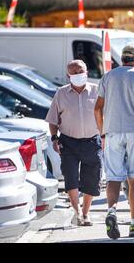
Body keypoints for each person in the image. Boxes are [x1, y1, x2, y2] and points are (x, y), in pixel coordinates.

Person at [94, 44, 134, 239]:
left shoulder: (107, 77)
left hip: (111, 132)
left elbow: (97, 109)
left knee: (113, 177)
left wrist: (103, 132)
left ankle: (111, 211)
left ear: (122, 59)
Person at [45, 60, 102, 227]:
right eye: (74, 72)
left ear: (86, 71)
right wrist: (54, 138)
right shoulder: (61, 93)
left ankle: (86, 213)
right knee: (71, 177)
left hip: (92, 141)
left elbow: (104, 115)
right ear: (68, 76)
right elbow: (53, 119)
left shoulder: (97, 90)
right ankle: (77, 212)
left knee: (91, 178)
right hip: (68, 142)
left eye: (81, 70)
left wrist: (105, 136)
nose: (79, 74)